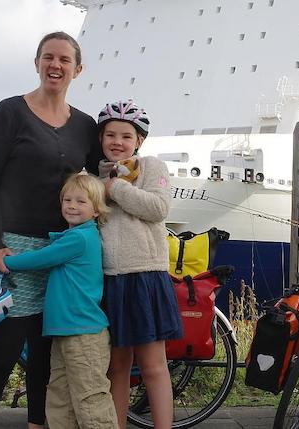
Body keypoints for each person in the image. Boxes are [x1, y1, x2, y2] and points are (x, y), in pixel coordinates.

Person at [0, 31, 99, 429]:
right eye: (48, 57)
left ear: (78, 69)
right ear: (37, 62)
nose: (55, 66)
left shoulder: (85, 125)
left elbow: (98, 179)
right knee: (4, 348)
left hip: (64, 250)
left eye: (64, 60)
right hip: (16, 247)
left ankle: (38, 423)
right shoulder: (10, 112)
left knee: (46, 352)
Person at [3, 174, 117, 429]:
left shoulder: (79, 238)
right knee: (60, 397)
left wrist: (3, 262)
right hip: (67, 332)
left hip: (83, 334)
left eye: (80, 201)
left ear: (97, 211)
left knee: (90, 398)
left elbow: (39, 259)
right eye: (67, 200)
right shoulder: (73, 236)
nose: (72, 206)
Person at [95, 100, 179, 429]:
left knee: (153, 365)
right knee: (116, 366)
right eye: (110, 135)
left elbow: (158, 208)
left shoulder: (151, 168)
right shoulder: (91, 177)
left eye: (126, 136)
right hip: (109, 279)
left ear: (139, 141)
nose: (118, 142)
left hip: (145, 275)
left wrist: (116, 187)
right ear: (101, 139)